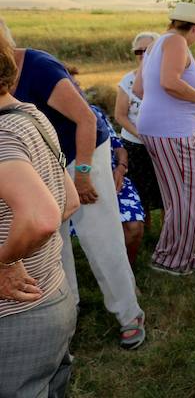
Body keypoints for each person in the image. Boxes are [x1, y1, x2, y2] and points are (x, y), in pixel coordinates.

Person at [5, 21, 146, 348]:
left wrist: (82, 174)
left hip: (83, 153)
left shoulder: (38, 66)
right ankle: (67, 314)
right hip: (40, 160)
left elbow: (85, 118)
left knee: (100, 237)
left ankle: (129, 313)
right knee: (53, 243)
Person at [0, 34, 79, 396]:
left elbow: (42, 217)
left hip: (16, 320)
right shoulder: (30, 115)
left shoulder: (2, 135)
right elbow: (71, 199)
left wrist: (5, 261)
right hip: (53, 297)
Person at [135, 2, 195, 276]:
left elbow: (139, 88)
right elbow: (169, 83)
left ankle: (170, 255)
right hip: (173, 132)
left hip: (156, 128)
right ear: (194, 27)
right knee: (189, 196)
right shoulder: (177, 43)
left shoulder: (154, 45)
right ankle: (175, 261)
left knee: (176, 196)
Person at [115, 31, 163, 230]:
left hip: (163, 144)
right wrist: (141, 134)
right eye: (138, 51)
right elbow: (120, 115)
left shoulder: (167, 79)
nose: (143, 55)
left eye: (148, 50)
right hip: (135, 146)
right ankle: (144, 233)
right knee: (140, 192)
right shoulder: (127, 81)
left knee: (165, 192)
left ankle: (168, 236)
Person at [88, 105, 145, 267]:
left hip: (114, 177)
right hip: (80, 182)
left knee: (135, 227)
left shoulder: (96, 112)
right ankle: (109, 272)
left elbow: (118, 146)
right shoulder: (50, 116)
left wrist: (121, 167)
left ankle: (125, 273)